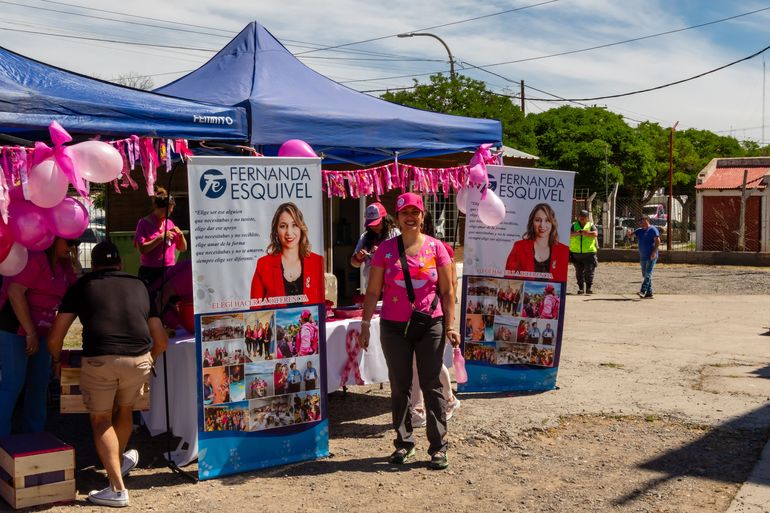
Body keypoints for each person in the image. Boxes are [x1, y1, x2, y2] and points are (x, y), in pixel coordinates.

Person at [48, 241, 168, 507]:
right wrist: (150, 360)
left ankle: (116, 488)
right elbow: (160, 339)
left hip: (100, 360)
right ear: (120, 264)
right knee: (124, 410)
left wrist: (56, 361)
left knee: (100, 419)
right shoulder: (141, 286)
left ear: (95, 264)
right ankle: (119, 460)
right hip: (138, 360)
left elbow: (55, 337)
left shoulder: (81, 286)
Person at [358, 192, 461, 471]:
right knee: (399, 386)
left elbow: (448, 291)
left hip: (431, 324)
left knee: (432, 384)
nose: (411, 217)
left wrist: (451, 326)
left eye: (416, 212)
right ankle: (404, 443)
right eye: (405, 213)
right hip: (393, 326)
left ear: (423, 216)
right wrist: (365, 325)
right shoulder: (385, 250)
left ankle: (438, 447)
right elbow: (372, 291)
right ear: (398, 217)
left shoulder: (437, 248)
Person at [0, 237, 77, 436]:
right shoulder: (35, 258)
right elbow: (15, 292)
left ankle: (33, 437)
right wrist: (30, 332)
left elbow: (76, 293)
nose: (73, 246)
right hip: (14, 327)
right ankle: (2, 441)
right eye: (69, 241)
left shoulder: (64, 263)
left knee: (39, 383)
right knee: (13, 382)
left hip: (42, 331)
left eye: (76, 242)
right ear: (54, 239)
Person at [409, 212, 462, 427]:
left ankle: (441, 402)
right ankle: (428, 406)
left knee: (427, 362)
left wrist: (449, 318)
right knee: (420, 361)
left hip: (434, 314)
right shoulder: (408, 248)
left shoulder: (440, 249)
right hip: (417, 314)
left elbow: (451, 285)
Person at [251, 202, 324, 306]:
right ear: (276, 230)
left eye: (294, 225)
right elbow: (255, 310)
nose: (289, 232)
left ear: (301, 228)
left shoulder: (318, 262)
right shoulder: (263, 264)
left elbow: (324, 305)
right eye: (283, 226)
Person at [134, 187, 187, 286]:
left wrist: (181, 235)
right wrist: (160, 238)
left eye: (171, 210)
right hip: (151, 271)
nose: (170, 213)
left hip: (169, 269)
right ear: (159, 208)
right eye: (168, 211)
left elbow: (183, 248)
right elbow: (142, 249)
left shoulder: (170, 223)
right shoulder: (143, 223)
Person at [505, 203, 569, 282]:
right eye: (538, 220)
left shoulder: (563, 250)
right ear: (532, 222)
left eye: (547, 220)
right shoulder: (519, 247)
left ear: (552, 223)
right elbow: (508, 276)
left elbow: (562, 280)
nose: (542, 225)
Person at [350, 202, 399, 289]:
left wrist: (382, 252)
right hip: (372, 286)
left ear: (384, 219)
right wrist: (358, 257)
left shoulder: (394, 233)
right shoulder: (365, 237)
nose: (374, 227)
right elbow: (354, 264)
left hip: (392, 286)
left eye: (377, 223)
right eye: (371, 225)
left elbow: (403, 258)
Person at [569, 209, 599, 294]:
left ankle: (588, 288)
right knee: (579, 272)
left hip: (589, 253)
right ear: (578, 217)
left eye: (584, 216)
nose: (582, 218)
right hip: (576, 253)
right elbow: (569, 234)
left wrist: (585, 233)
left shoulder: (591, 225)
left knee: (589, 271)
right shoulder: (574, 225)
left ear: (587, 218)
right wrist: (579, 233)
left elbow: (595, 234)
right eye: (580, 216)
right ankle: (581, 288)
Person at [634, 215, 661, 299]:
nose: (640, 224)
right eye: (639, 223)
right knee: (644, 274)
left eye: (641, 222)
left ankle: (643, 290)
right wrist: (629, 233)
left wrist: (654, 252)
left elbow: (658, 240)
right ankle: (649, 293)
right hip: (643, 256)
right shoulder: (640, 230)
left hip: (651, 256)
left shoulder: (652, 229)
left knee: (648, 273)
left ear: (646, 220)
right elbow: (630, 235)